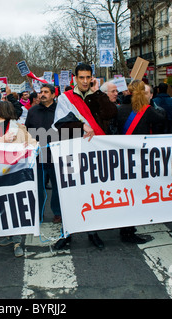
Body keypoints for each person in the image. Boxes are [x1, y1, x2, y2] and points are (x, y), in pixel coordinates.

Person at [53, 63, 118, 250]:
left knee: (92, 192)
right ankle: (67, 233)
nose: (84, 81)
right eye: (80, 77)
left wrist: (97, 93)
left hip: (94, 151)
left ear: (92, 78)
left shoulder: (97, 96)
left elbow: (111, 113)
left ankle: (93, 232)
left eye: (87, 77)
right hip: (72, 149)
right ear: (75, 78)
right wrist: (81, 125)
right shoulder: (65, 98)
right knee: (70, 193)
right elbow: (60, 123)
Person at [0, 100, 37, 257]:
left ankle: (18, 241)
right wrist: (1, 141)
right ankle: (9, 235)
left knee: (16, 206)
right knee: (3, 205)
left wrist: (30, 147)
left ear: (2, 112)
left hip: (17, 175)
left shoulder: (19, 129)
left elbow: (33, 143)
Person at [117, 80, 165, 244]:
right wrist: (150, 102)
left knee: (127, 194)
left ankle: (126, 228)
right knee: (135, 195)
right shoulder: (147, 110)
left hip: (124, 158)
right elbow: (162, 118)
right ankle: (128, 232)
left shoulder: (120, 109)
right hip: (140, 159)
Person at [25, 84, 62, 223]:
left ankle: (58, 212)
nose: (42, 94)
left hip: (56, 156)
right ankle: (38, 213)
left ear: (53, 95)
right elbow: (27, 130)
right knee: (37, 188)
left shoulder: (60, 110)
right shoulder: (33, 111)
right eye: (41, 92)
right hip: (38, 156)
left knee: (57, 188)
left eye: (46, 92)